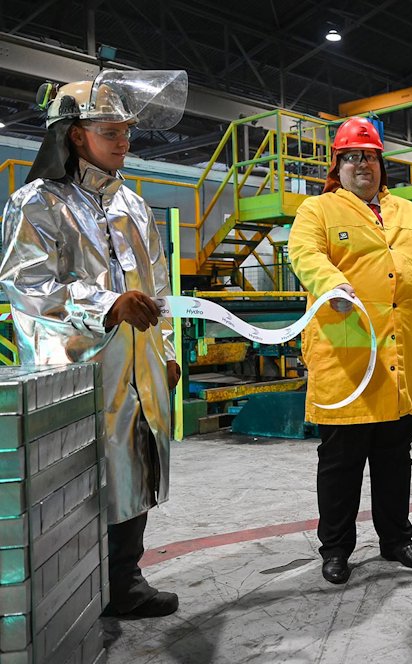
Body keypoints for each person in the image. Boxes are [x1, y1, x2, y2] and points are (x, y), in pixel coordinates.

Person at [0, 70, 188, 617]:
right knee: (75, 479)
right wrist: (105, 305)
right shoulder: (37, 203)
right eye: (112, 132)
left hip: (137, 369)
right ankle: (72, 590)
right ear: (76, 135)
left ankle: (123, 581)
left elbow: (158, 287)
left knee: (135, 469)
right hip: (75, 372)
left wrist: (168, 353)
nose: (124, 141)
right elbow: (26, 283)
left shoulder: (133, 206)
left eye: (127, 131)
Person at [288, 117, 412, 585]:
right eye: (351, 157)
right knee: (341, 462)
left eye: (369, 156)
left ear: (382, 164)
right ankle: (337, 548)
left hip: (402, 358)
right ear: (337, 166)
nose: (361, 164)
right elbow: (304, 254)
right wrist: (332, 283)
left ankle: (396, 538)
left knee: (394, 457)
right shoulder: (318, 211)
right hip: (345, 360)